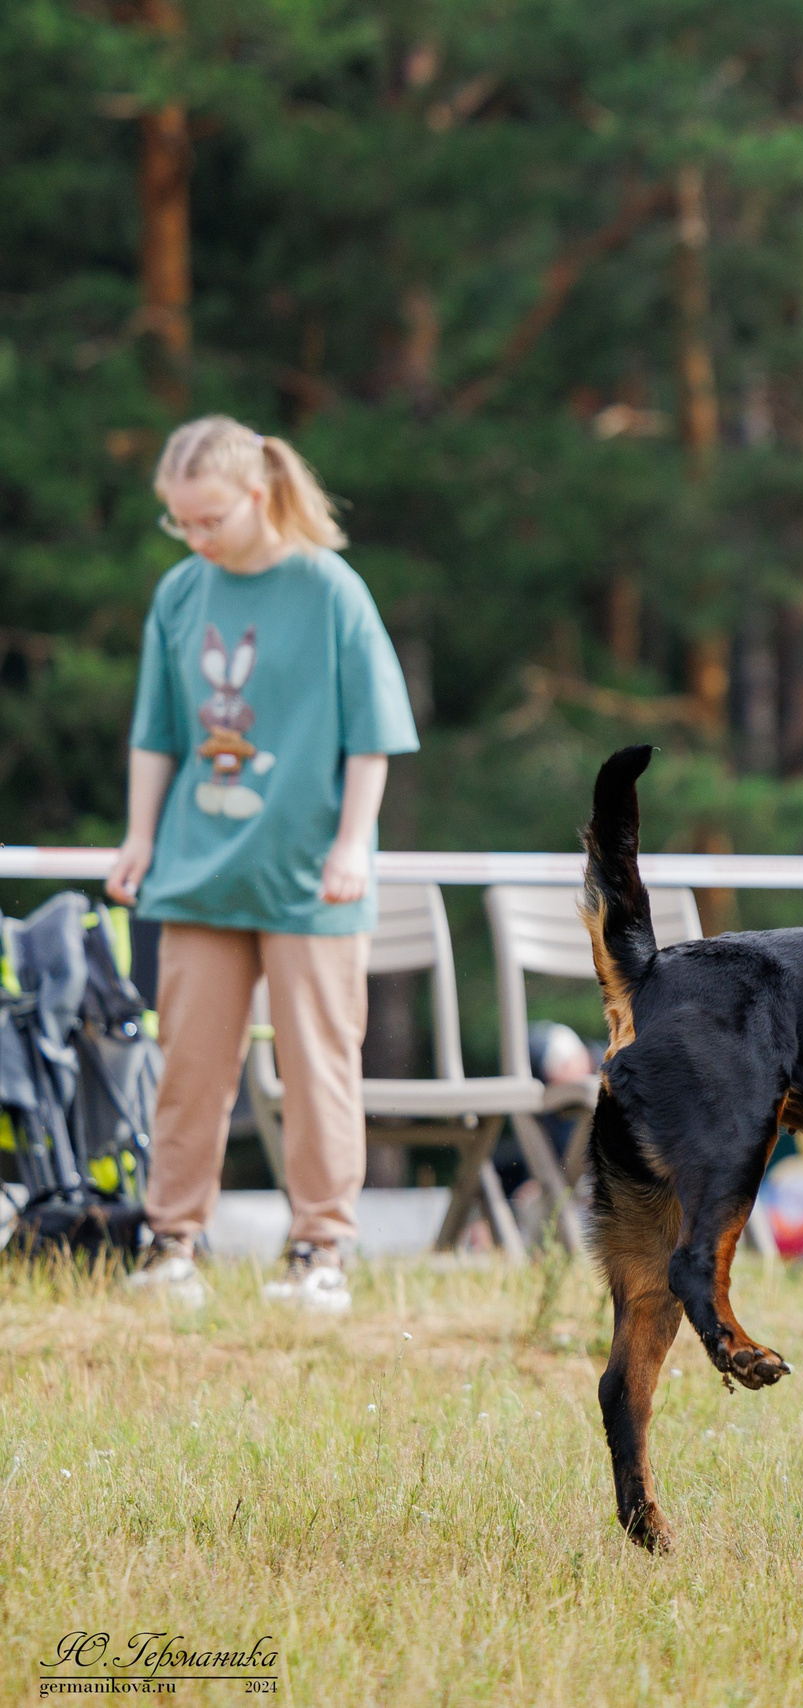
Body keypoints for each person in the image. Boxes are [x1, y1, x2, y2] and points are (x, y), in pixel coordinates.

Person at [111, 416, 419, 1312]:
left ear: (257, 495)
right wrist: (139, 837)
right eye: (182, 522)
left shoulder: (330, 589)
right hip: (199, 871)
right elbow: (157, 732)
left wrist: (354, 842)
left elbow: (374, 736)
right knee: (188, 1065)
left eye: (209, 518)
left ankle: (320, 1247)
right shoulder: (180, 593)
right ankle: (172, 1240)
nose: (196, 537)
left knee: (319, 1064)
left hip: (309, 875)